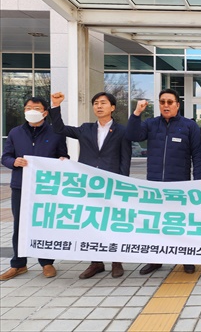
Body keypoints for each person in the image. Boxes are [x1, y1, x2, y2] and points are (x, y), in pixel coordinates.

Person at [49, 91, 132, 279]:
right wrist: (55, 105)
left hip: (112, 184)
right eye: (95, 103)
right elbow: (59, 129)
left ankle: (116, 262)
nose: (99, 106)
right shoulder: (85, 129)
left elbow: (125, 158)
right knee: (91, 222)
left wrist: (122, 182)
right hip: (88, 184)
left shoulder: (122, 131)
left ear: (112, 107)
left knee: (112, 223)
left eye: (103, 103)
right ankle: (96, 263)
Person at [126, 88, 201, 275]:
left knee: (181, 223)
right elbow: (132, 135)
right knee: (156, 224)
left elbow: (198, 155)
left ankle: (186, 258)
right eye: (162, 102)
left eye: (170, 102)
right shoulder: (151, 124)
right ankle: (156, 259)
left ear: (178, 104)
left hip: (180, 186)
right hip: (154, 185)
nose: (166, 105)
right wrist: (137, 113)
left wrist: (198, 183)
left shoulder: (189, 126)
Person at [0, 97, 69, 281]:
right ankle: (18, 264)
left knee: (44, 224)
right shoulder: (15, 133)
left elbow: (63, 155)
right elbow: (5, 156)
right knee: (19, 225)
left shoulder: (56, 132)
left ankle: (46, 262)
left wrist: (62, 161)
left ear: (45, 112)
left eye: (36, 107)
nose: (31, 110)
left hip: (45, 188)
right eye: (28, 107)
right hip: (20, 186)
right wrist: (13, 162)